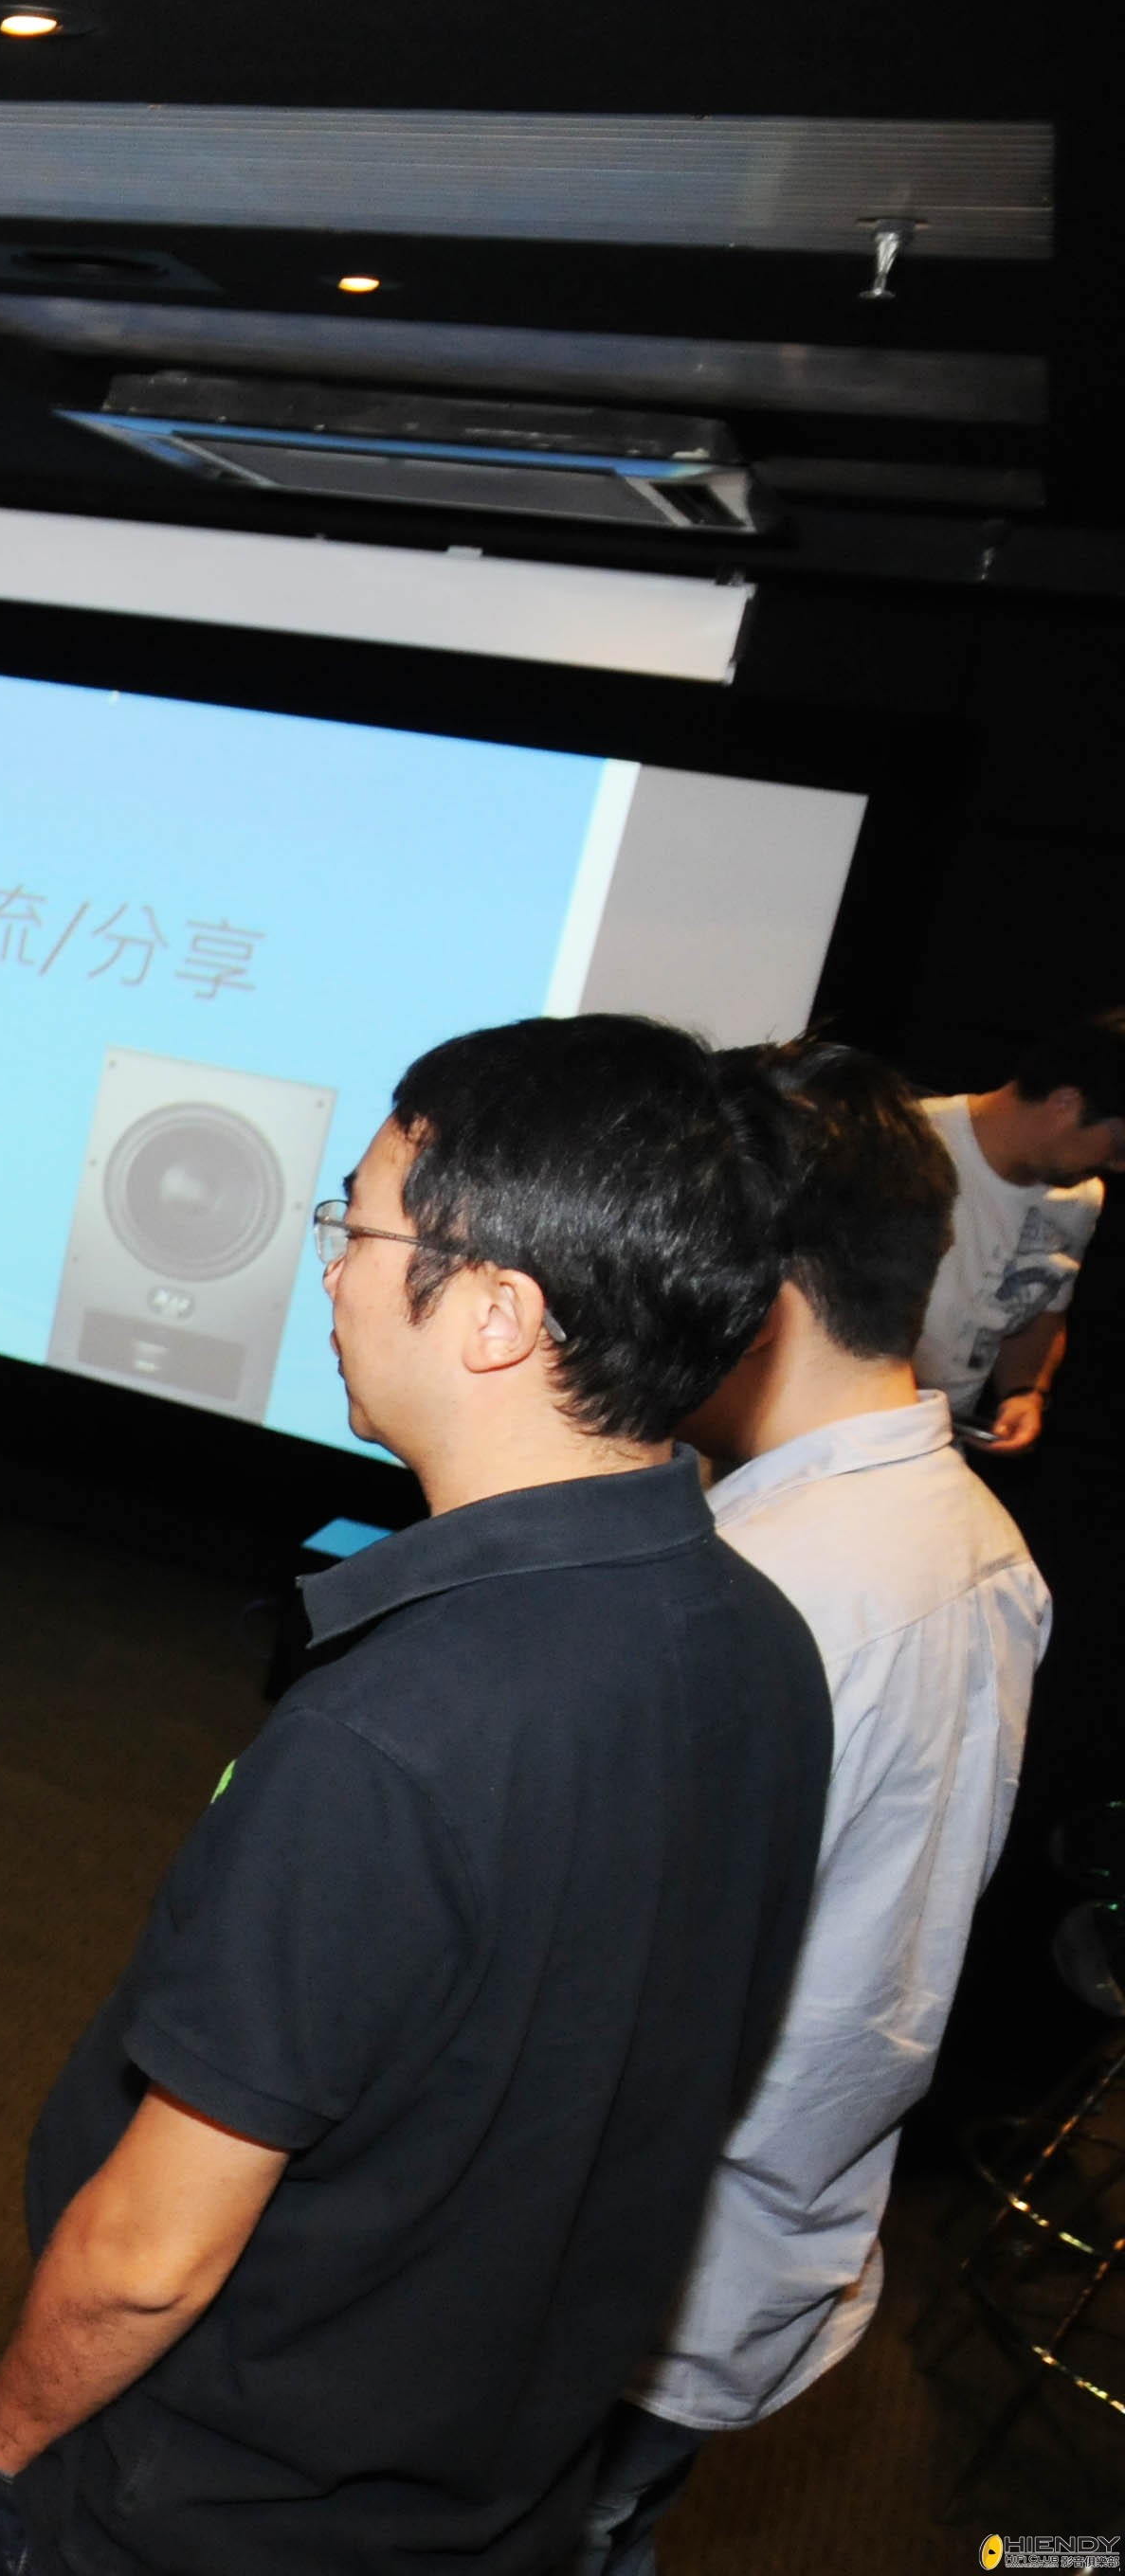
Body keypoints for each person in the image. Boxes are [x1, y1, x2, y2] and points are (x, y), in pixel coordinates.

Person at [0, 1014, 827, 2576]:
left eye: (354, 1228)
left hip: (218, 2518)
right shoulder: (765, 1642)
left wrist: (7, 2455)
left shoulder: (392, 1735)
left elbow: (149, 2257)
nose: (330, 1273)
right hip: (499, 2492)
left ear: (495, 1313)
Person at [572, 1041, 1048, 2572]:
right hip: (765, 2234)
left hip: (631, 2267)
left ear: (750, 1285)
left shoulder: (761, 1592)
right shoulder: (975, 1540)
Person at [916, 1011, 1123, 1456]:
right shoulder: (907, 1146)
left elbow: (1041, 1308)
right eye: (1120, 1146)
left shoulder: (1081, 1198)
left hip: (934, 1450)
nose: (1119, 1165)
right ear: (1066, 1102)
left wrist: (1025, 1393)